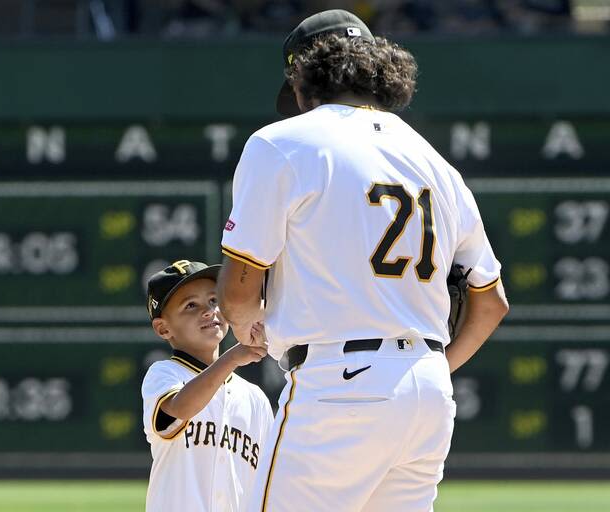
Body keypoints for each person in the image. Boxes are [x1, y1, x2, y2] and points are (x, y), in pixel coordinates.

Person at [217, 9, 509, 512]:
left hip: (339, 384)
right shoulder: (436, 163)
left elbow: (239, 293)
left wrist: (249, 331)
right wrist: (428, 368)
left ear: (304, 78)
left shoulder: (282, 143)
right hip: (427, 393)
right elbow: (491, 302)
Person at [141, 259, 274, 512]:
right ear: (163, 328)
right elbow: (178, 409)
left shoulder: (255, 399)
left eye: (215, 301)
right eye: (191, 305)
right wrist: (233, 357)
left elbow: (268, 483)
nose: (208, 311)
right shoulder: (165, 375)